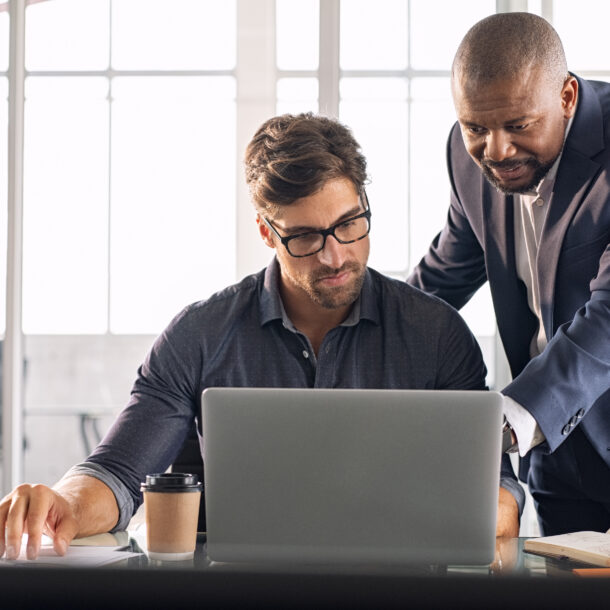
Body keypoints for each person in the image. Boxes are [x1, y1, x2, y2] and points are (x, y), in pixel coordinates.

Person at [0, 113, 521, 561]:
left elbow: (497, 491)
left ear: (364, 203)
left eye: (349, 224)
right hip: (238, 589)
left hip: (400, 588)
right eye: (305, 237)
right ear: (267, 232)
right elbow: (117, 470)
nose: (335, 255)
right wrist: (64, 503)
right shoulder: (200, 335)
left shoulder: (436, 334)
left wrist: (495, 506)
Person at [408, 12, 610, 536]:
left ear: (567, 97)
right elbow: (443, 277)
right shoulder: (464, 154)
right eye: (476, 127)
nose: (494, 151)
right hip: (560, 458)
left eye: (518, 125)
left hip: (534, 417)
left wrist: (507, 419)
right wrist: (360, 332)